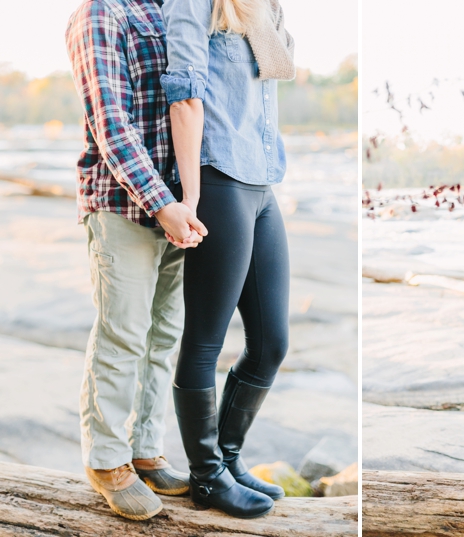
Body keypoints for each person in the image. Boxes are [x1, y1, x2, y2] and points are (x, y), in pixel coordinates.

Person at [65, 0, 207, 521]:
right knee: (122, 332)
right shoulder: (100, 13)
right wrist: (162, 202)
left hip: (177, 205)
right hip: (123, 204)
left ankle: (146, 449)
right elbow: (111, 124)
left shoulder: (168, 10)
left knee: (164, 334)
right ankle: (106, 460)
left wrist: (186, 202)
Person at [160, 0, 295, 519]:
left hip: (261, 181)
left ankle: (229, 458)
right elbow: (185, 99)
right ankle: (206, 478)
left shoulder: (263, 10)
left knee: (271, 343)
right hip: (217, 178)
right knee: (205, 340)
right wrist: (190, 199)